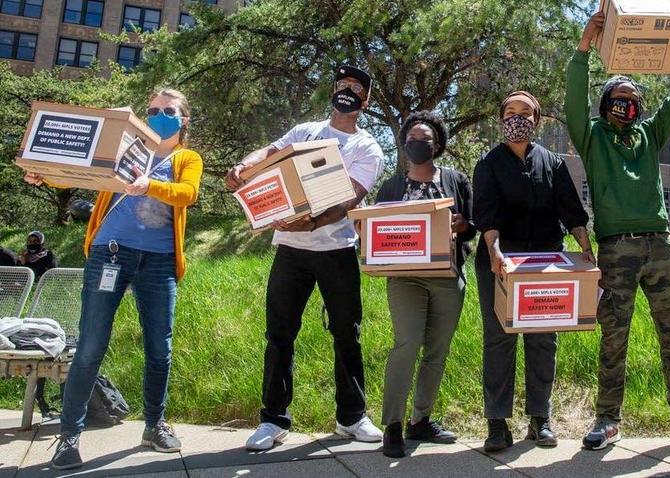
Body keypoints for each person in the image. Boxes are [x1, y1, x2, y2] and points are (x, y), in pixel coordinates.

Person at [25, 89, 203, 471]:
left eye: (168, 111)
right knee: (90, 347)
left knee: (160, 347)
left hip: (158, 263)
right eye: (152, 109)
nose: (158, 115)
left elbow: (187, 194)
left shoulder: (187, 157)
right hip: (110, 254)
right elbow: (83, 168)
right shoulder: (128, 148)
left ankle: (155, 425)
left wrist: (148, 185)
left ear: (183, 120)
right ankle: (69, 438)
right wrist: (44, 173)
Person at [566, 11, 670, 452]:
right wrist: (583, 48)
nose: (625, 102)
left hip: (659, 244)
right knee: (614, 335)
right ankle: (608, 420)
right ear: (605, 102)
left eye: (632, 97)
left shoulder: (650, 132)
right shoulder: (591, 137)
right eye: (618, 96)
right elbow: (573, 99)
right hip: (615, 250)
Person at [227, 64, 385, 452]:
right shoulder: (305, 132)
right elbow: (270, 153)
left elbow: (347, 200)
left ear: (365, 100)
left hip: (336, 252)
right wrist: (245, 166)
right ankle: (273, 419)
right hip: (290, 253)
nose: (346, 91)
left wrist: (308, 223)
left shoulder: (367, 148)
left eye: (355, 87)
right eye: (341, 84)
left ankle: (352, 417)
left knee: (347, 334)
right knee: (279, 335)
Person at [473, 90, 593, 453]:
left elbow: (571, 211)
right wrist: (494, 249)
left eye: (525, 112)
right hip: (500, 263)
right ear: (501, 119)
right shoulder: (488, 163)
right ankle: (497, 423)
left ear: (536, 120)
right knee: (499, 339)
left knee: (543, 339)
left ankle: (540, 420)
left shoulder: (552, 163)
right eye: (510, 111)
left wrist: (587, 249)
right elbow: (487, 214)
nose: (517, 117)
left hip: (545, 265)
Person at [376, 111, 475, 458]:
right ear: (404, 144)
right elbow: (375, 230)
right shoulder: (391, 186)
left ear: (438, 145)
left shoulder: (457, 180)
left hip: (448, 279)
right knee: (407, 344)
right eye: (413, 138)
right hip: (406, 280)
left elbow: (473, 224)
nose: (419, 143)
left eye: (426, 139)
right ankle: (392, 425)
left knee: (437, 350)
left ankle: (421, 420)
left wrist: (463, 224)